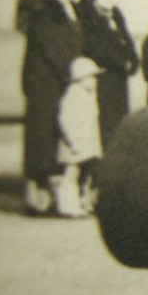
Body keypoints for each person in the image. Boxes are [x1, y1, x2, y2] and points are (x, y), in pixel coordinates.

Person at [21, 0, 84, 215]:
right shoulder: (44, 15)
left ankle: (51, 196)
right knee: (42, 138)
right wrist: (72, 71)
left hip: (59, 83)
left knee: (55, 137)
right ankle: (36, 196)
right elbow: (54, 49)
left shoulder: (68, 13)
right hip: (44, 85)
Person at [79, 0, 140, 147]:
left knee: (118, 123)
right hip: (99, 77)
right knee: (100, 123)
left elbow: (127, 40)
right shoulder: (85, 13)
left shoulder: (116, 14)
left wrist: (133, 61)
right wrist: (121, 62)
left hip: (118, 79)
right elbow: (93, 46)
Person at [52, 57, 104, 217]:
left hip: (86, 143)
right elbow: (65, 120)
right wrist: (74, 142)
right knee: (71, 174)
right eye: (91, 77)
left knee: (83, 174)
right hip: (75, 144)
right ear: (80, 79)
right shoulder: (73, 96)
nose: (94, 81)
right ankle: (67, 204)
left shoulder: (87, 95)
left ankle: (81, 201)